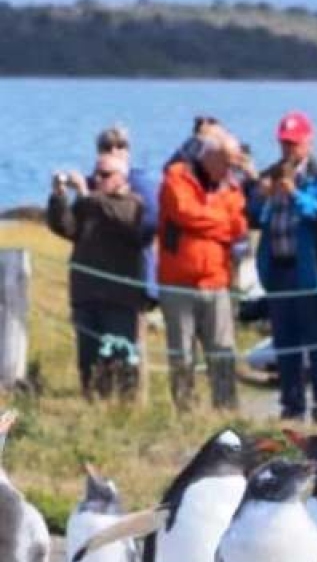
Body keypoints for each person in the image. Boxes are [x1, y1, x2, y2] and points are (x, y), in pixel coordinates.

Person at [247, 111, 317, 423]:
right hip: (278, 270)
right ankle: (292, 405)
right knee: (285, 343)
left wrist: (296, 195)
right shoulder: (270, 174)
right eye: (284, 143)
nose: (288, 150)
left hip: (309, 273)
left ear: (308, 144)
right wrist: (262, 196)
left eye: (294, 144)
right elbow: (255, 216)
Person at [156, 129, 247, 411]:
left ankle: (226, 410)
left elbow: (237, 227)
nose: (231, 169)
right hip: (178, 284)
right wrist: (218, 222)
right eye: (227, 162)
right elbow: (184, 211)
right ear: (209, 156)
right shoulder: (176, 178)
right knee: (181, 354)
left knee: (222, 351)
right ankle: (185, 410)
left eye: (235, 163)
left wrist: (209, 222)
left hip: (217, 283)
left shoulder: (231, 188)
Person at [46, 153, 148, 400]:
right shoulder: (90, 204)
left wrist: (86, 193)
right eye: (96, 175)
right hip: (87, 295)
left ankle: (125, 407)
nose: (98, 180)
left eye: (105, 175)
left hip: (120, 299)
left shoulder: (133, 204)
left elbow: (123, 222)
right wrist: (59, 197)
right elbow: (65, 227)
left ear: (122, 177)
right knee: (89, 357)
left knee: (121, 357)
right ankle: (92, 402)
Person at [92, 125, 159, 301]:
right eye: (107, 147)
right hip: (98, 276)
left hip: (135, 272)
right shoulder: (92, 183)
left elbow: (151, 223)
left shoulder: (142, 184)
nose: (114, 151)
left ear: (128, 151)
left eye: (120, 146)